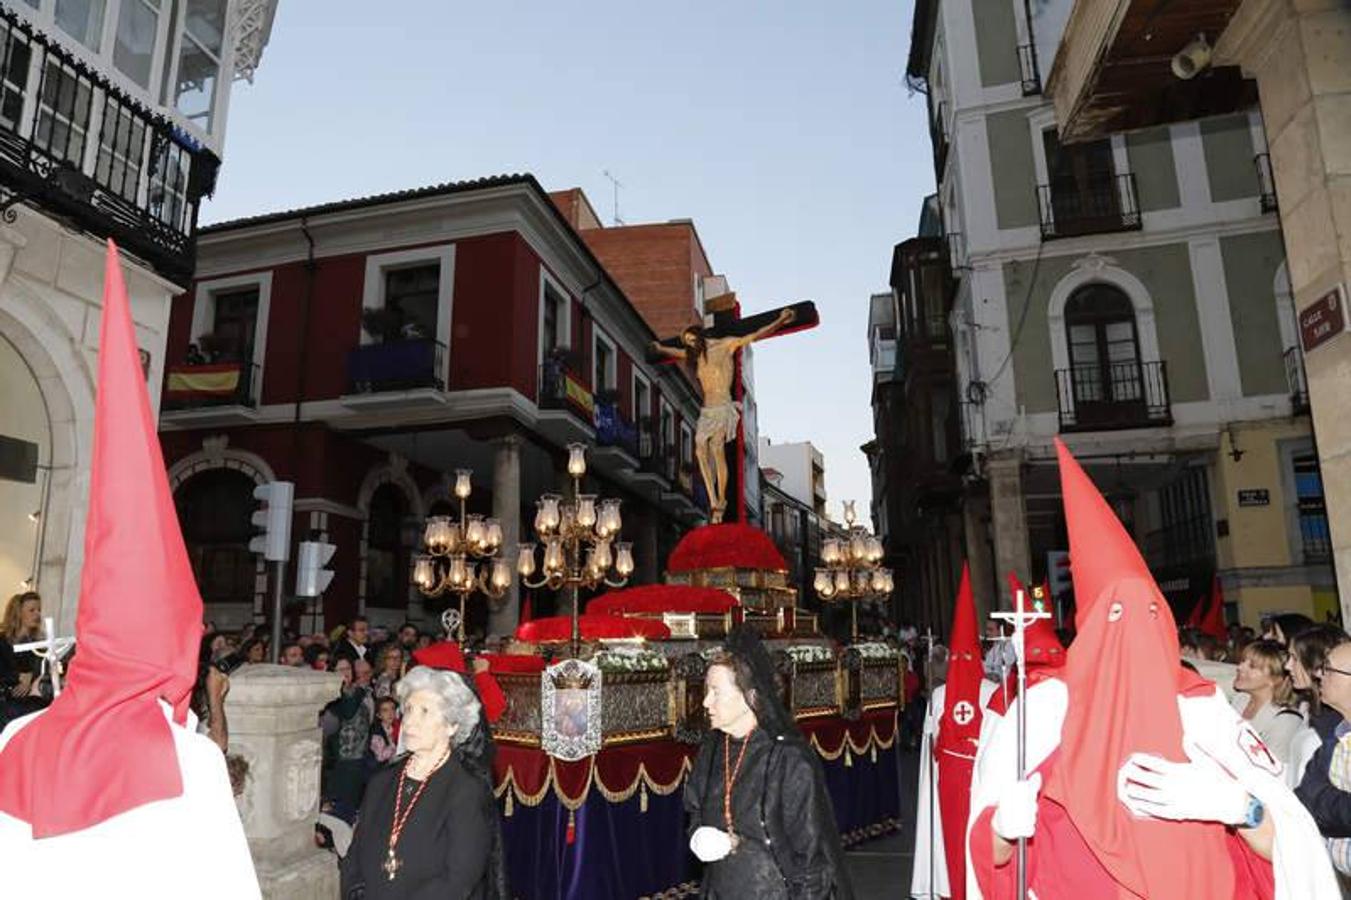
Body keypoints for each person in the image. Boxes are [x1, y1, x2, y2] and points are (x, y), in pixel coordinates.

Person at [969, 440, 1337, 899]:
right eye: (1116, 617)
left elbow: (1288, 852)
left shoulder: (1206, 713)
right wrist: (1004, 828)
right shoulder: (1042, 712)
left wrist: (1241, 808)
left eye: (1151, 615)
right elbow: (990, 857)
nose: (1135, 637)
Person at [684, 627, 853, 898]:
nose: (706, 702)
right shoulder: (713, 749)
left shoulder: (788, 759)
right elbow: (695, 808)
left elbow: (813, 859)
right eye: (706, 691)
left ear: (750, 695)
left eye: (715, 691)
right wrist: (698, 835)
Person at [341, 666, 507, 898]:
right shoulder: (382, 780)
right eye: (408, 710)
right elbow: (354, 856)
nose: (410, 722)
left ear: (452, 725)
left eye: (424, 711)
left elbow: (459, 880)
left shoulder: (466, 789)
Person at [649, 308, 795, 523]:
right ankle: (714, 498)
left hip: (723, 406)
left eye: (691, 339)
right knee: (700, 449)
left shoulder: (726, 344)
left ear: (700, 336)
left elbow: (755, 334)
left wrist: (780, 320)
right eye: (687, 342)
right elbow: (674, 352)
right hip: (707, 410)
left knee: (717, 451)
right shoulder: (694, 355)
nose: (689, 344)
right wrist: (660, 347)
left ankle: (721, 500)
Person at [1233, 639, 1304, 770]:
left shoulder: (1285, 720)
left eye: (1252, 666)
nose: (1240, 667)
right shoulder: (1240, 700)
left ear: (1275, 679)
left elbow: (1272, 771)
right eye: (1242, 661)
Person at [323, 658, 375, 809]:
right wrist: (357, 691)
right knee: (340, 805)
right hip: (341, 759)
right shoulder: (331, 693)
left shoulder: (357, 691)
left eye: (348, 669)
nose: (345, 673)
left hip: (360, 756)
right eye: (340, 669)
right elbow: (348, 712)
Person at [370, 697, 400, 764]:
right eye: (385, 710)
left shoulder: (395, 726)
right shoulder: (376, 732)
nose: (390, 713)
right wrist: (394, 745)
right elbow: (380, 757)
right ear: (378, 715)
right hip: (380, 770)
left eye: (393, 708)